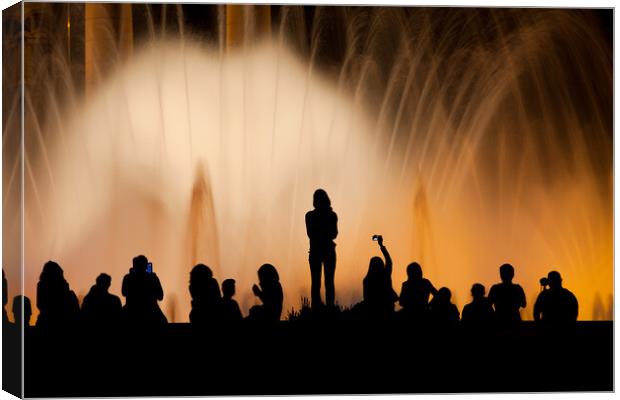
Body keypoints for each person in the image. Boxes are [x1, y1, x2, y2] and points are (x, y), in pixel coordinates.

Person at [305, 189, 338, 310]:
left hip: (318, 251)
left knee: (321, 282)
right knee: (322, 282)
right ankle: (322, 307)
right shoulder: (330, 215)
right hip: (324, 251)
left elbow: (333, 234)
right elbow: (332, 234)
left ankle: (322, 307)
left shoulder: (311, 216)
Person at [121, 255, 167, 327]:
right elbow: (160, 297)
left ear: (134, 266)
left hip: (131, 312)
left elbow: (124, 293)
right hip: (152, 313)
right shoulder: (153, 278)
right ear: (146, 266)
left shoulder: (128, 278)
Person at [36, 261, 80, 329]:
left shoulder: (42, 285)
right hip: (57, 322)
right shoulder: (45, 285)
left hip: (48, 321)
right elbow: (42, 305)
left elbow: (40, 305)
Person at [362, 235, 398, 317]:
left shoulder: (367, 280)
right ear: (381, 265)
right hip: (388, 310)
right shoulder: (385, 275)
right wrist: (381, 245)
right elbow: (389, 261)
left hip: (373, 312)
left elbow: (366, 298)